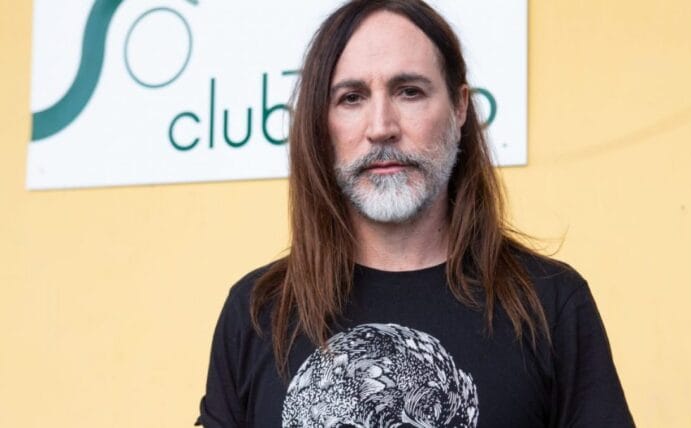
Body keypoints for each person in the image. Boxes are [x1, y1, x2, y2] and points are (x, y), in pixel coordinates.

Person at [197, 0, 635, 426]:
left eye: (409, 92)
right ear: (320, 122)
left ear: (460, 107)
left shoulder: (549, 303)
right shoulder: (257, 313)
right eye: (352, 98)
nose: (381, 127)